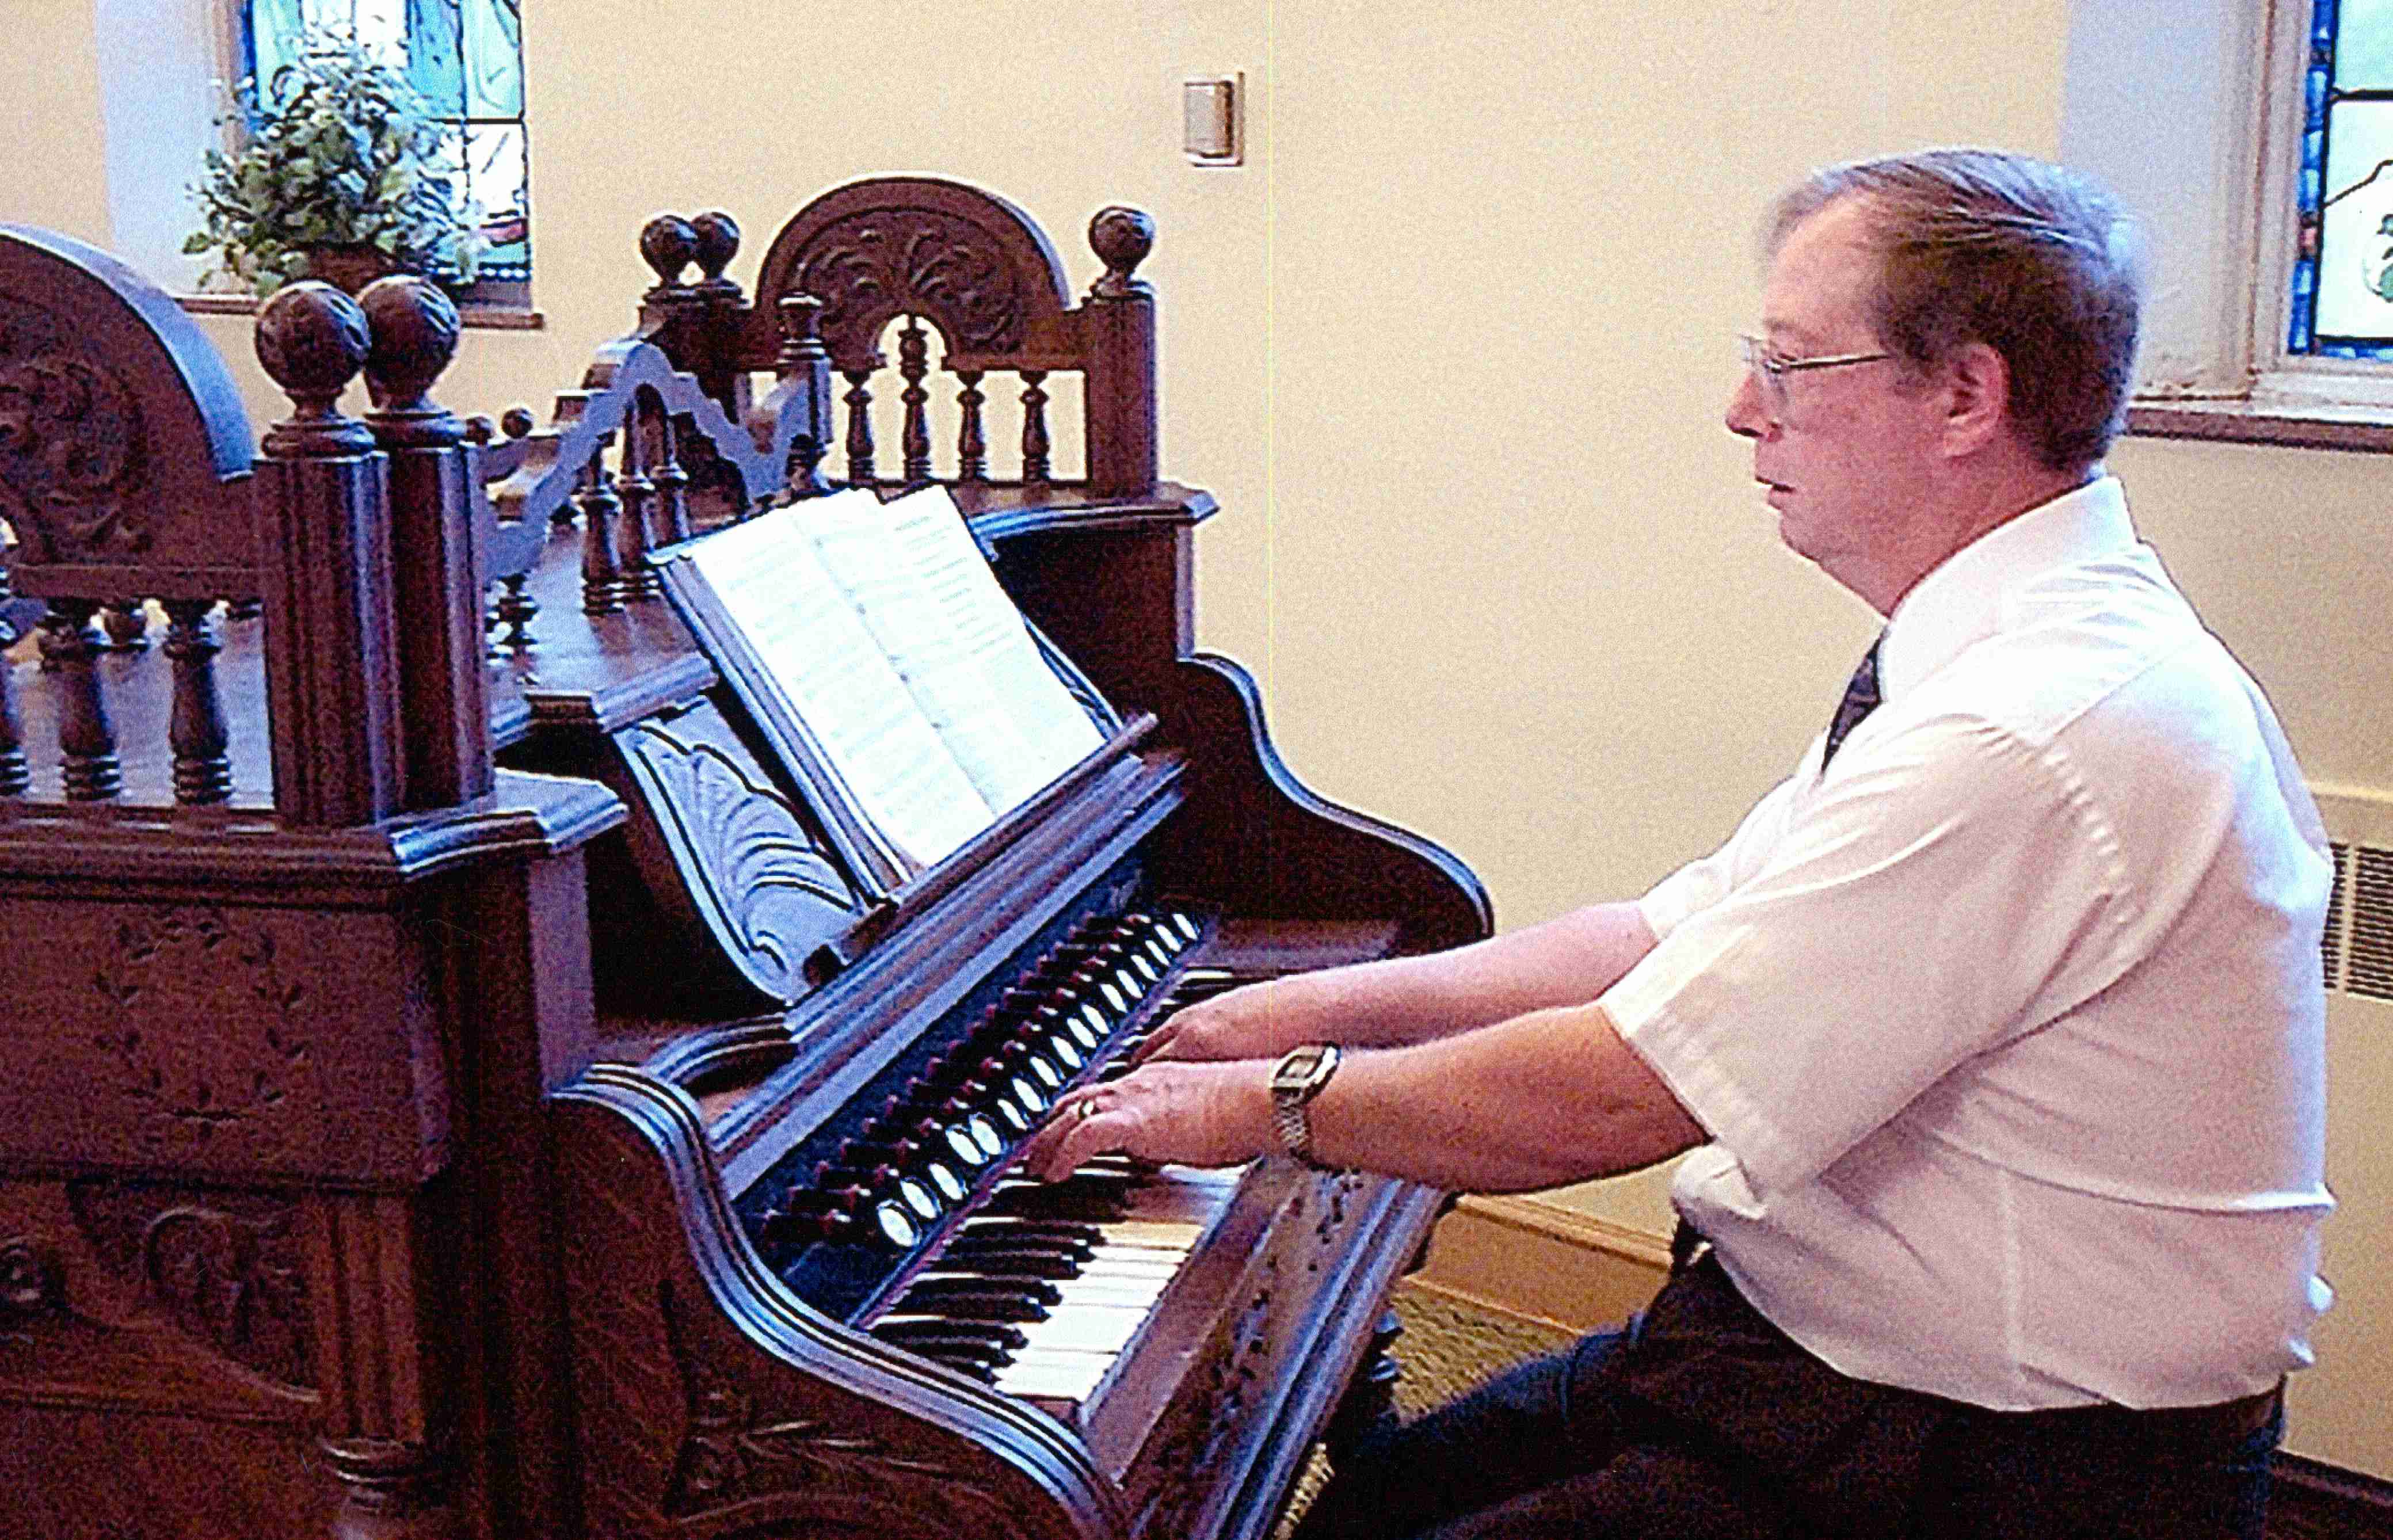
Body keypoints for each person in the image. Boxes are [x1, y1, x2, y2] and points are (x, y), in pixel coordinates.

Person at [1023, 147, 2334, 1539]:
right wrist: (1297, 1005)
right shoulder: (2004, 645)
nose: (1738, 411)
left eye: (1789, 365)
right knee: (1377, 1504)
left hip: (2003, 1463)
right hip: (1804, 1352)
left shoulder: (2037, 725)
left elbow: (1614, 1099)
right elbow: (1676, 932)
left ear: (1966, 395)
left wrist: (1269, 1102)